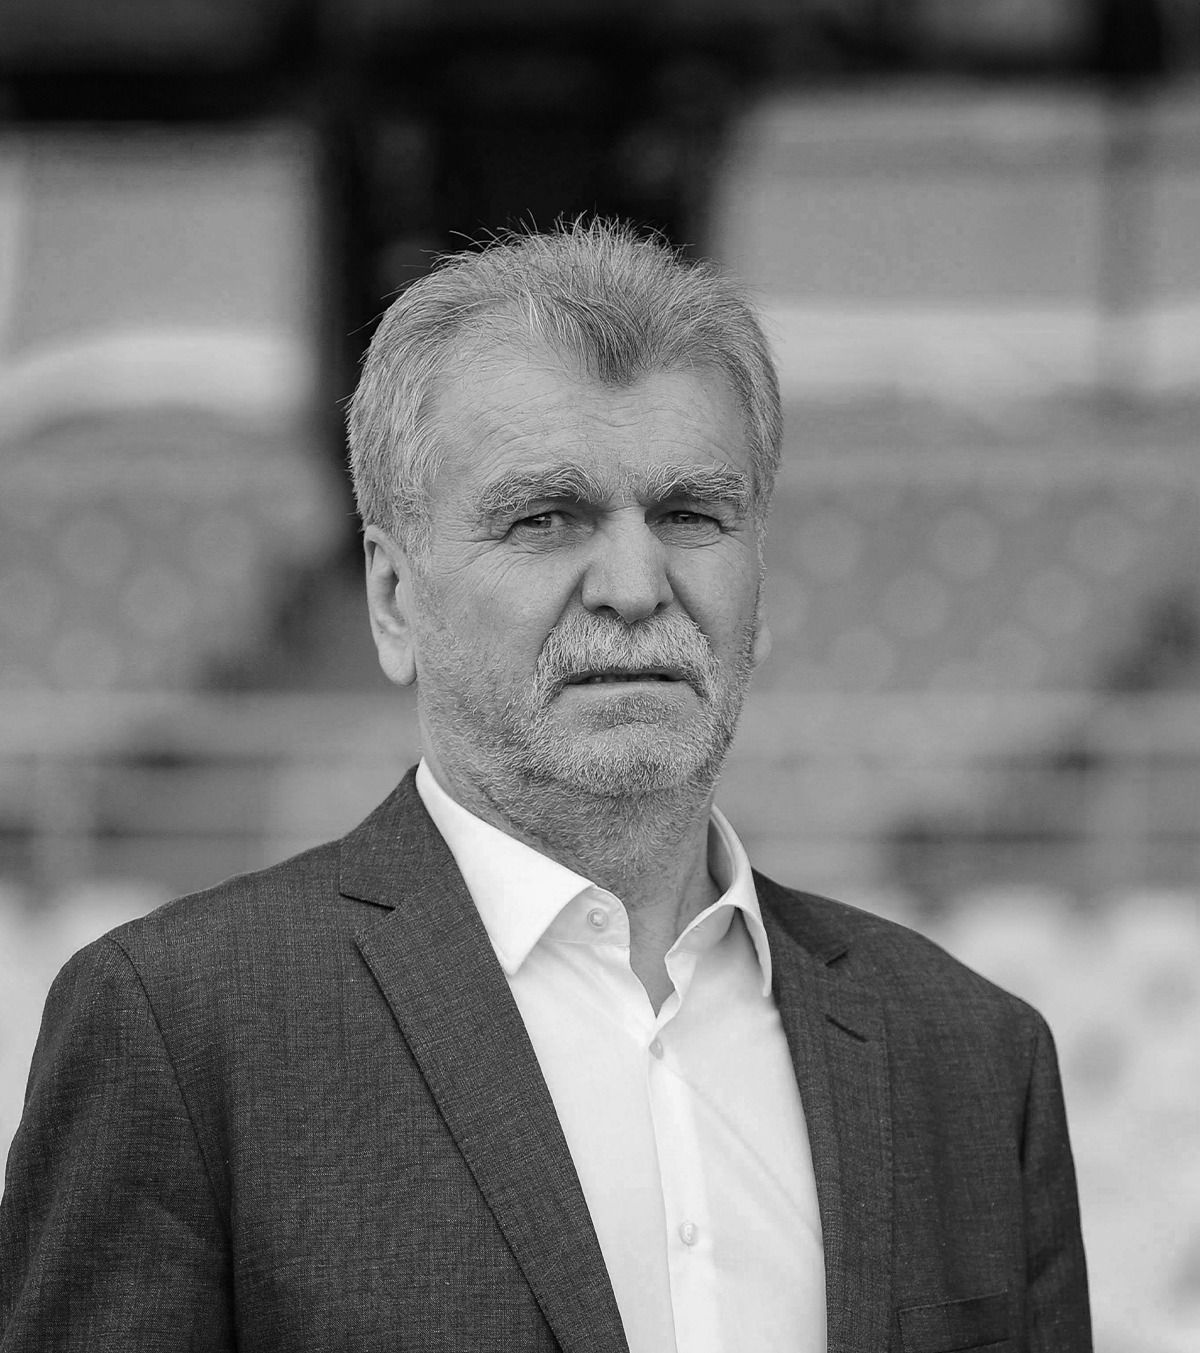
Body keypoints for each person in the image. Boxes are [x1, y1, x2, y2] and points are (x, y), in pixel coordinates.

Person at [0, 220, 1091, 1352]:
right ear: (392, 601)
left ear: (760, 583)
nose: (635, 586)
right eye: (543, 519)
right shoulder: (179, 1030)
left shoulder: (975, 1057)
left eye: (691, 515)